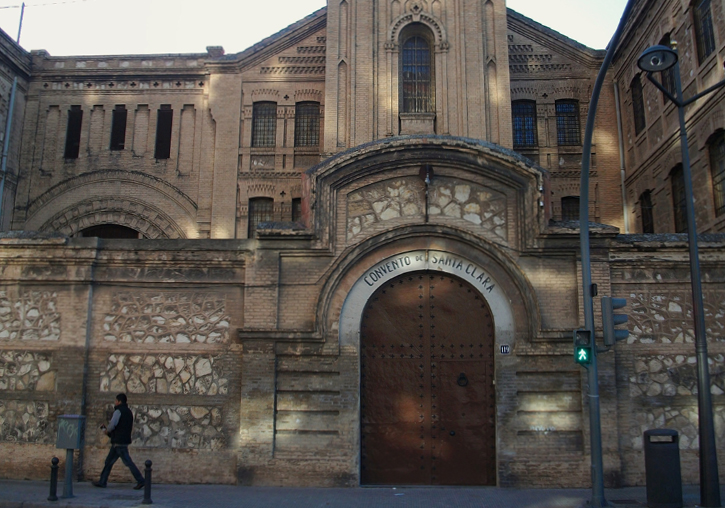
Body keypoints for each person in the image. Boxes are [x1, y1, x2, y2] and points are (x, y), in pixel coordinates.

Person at [92, 393, 145, 489]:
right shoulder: (129, 412)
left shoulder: (118, 411)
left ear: (119, 401)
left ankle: (141, 480)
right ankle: (102, 481)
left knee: (127, 462)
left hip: (118, 442)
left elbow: (113, 425)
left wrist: (107, 431)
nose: (115, 403)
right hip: (123, 440)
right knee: (109, 461)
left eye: (116, 401)